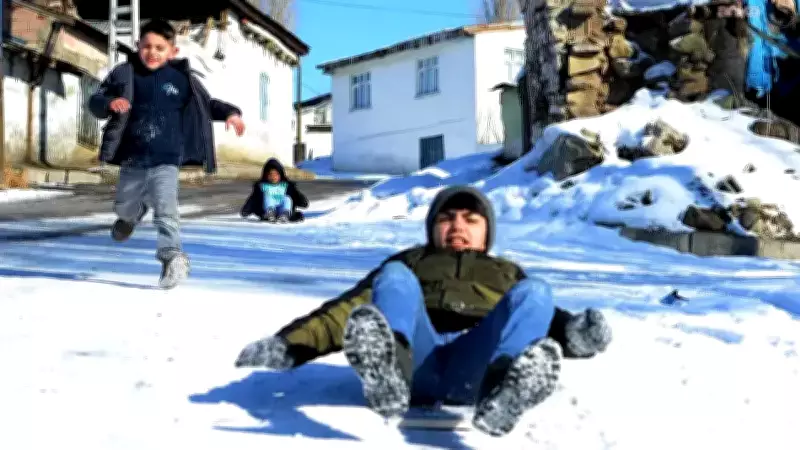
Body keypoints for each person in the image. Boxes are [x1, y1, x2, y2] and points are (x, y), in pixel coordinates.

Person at [234, 185, 612, 437]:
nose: (457, 227)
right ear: (432, 228)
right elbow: (350, 309)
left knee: (536, 291)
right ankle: (388, 371)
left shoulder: (505, 272)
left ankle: (503, 391)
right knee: (394, 277)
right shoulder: (412, 260)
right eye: (446, 219)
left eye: (470, 219)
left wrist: (577, 334)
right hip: (418, 355)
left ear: (487, 232)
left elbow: (536, 315)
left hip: (476, 364)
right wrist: (289, 345)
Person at [89, 19, 245, 289]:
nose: (153, 52)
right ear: (137, 46)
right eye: (147, 46)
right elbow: (96, 99)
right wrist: (109, 103)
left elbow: (206, 105)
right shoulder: (124, 73)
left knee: (166, 210)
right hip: (132, 157)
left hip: (167, 159)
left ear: (173, 51)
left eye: (160, 48)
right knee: (124, 206)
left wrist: (231, 112)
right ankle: (131, 216)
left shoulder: (182, 79)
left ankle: (171, 256)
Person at [240, 158, 309, 223]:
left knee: (287, 199)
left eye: (276, 174)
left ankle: (285, 214)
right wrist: (247, 209)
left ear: (281, 175)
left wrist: (301, 200)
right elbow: (254, 198)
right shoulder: (262, 186)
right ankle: (270, 213)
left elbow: (295, 195)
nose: (273, 177)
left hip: (281, 207)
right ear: (266, 175)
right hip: (266, 209)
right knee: (268, 197)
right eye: (271, 174)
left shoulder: (287, 185)